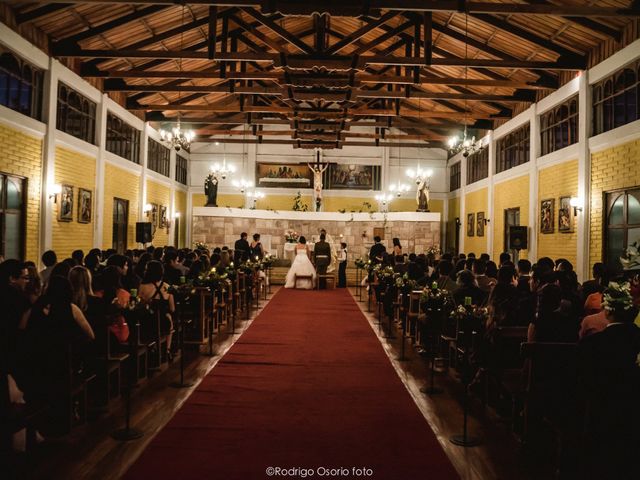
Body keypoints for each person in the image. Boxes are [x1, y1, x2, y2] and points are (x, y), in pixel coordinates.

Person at [578, 282, 640, 479]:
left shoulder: (593, 342)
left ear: (609, 312)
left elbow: (582, 378)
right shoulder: (635, 338)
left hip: (600, 410)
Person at [139, 261, 175, 359]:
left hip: (148, 321)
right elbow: (172, 308)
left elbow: (140, 305)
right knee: (169, 318)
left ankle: (153, 347)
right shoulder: (167, 287)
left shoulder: (142, 287)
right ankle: (167, 349)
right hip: (164, 321)